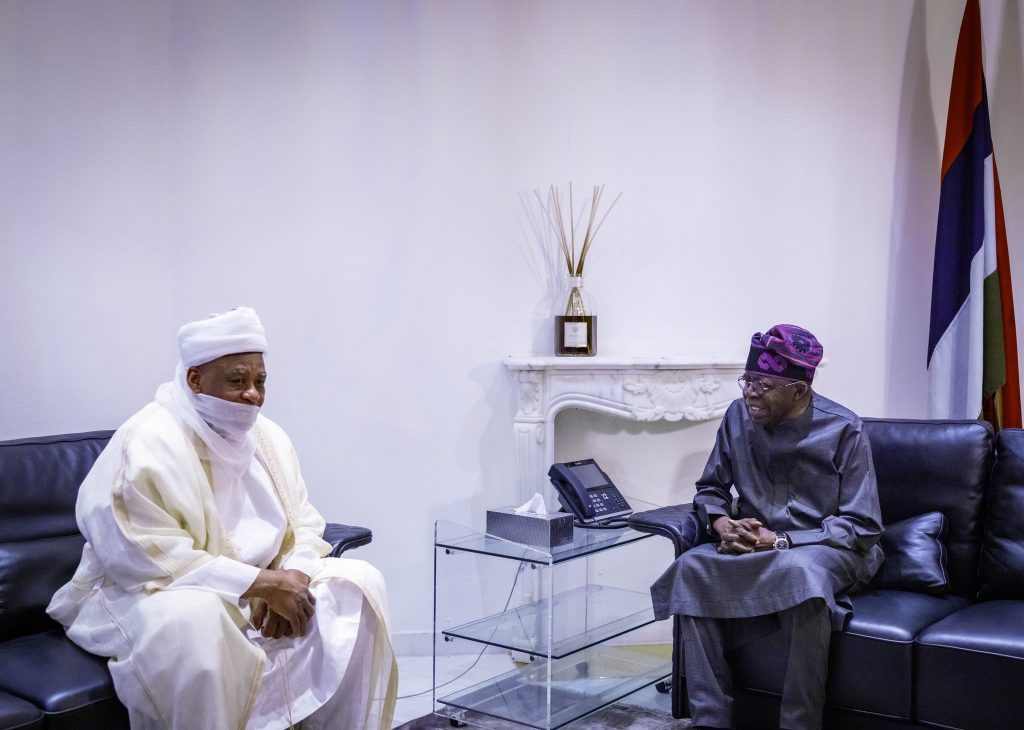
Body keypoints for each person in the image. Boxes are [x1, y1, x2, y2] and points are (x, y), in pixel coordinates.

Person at [47, 307, 397, 730]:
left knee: (356, 581)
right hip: (149, 592)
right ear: (196, 379)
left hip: (264, 589)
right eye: (237, 381)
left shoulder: (268, 437)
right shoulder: (146, 443)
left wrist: (294, 577)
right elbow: (143, 556)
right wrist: (262, 585)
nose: (253, 394)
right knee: (196, 623)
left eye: (260, 381)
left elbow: (304, 523)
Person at [651, 324, 883, 730]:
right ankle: (710, 718)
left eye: (764, 384)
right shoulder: (737, 416)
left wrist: (780, 539)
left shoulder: (845, 428)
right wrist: (723, 524)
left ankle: (799, 723)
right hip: (754, 547)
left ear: (799, 389)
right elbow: (710, 488)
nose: (749, 393)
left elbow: (862, 525)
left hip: (827, 548)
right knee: (691, 569)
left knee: (801, 573)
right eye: (747, 380)